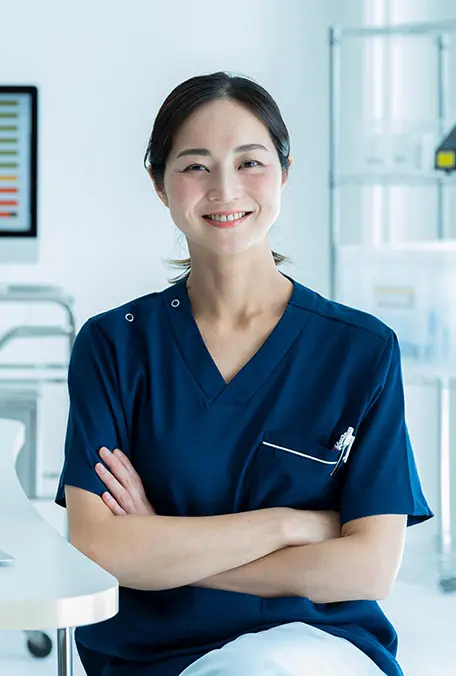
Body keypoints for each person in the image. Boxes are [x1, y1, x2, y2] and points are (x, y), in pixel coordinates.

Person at [55, 71, 433, 676]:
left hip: (316, 648)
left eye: (250, 162)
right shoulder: (114, 346)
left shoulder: (360, 351)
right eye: (196, 166)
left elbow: (368, 569)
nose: (225, 189)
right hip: (154, 657)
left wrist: (164, 547)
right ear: (160, 185)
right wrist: (286, 525)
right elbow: (102, 548)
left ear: (285, 171)